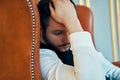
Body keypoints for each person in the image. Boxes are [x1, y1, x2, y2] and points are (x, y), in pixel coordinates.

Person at [38, 0, 120, 80]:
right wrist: (71, 20)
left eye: (69, 31)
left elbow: (114, 72)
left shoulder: (75, 49)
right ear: (41, 33)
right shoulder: (42, 58)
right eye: (58, 33)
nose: (68, 39)